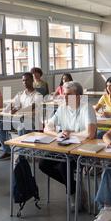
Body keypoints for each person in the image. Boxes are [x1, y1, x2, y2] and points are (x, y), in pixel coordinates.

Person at [40, 81, 97, 210]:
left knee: (63, 165)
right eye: (64, 94)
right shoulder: (62, 108)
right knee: (43, 164)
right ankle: (75, 188)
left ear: (78, 96)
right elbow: (47, 128)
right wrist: (58, 133)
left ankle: (72, 194)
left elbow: (90, 134)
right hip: (65, 146)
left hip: (83, 149)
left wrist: (70, 134)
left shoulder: (86, 108)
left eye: (69, 94)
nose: (65, 97)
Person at [0, 73, 43, 160]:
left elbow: (32, 106)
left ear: (32, 80)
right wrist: (6, 111)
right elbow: (12, 103)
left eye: (27, 80)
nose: (24, 82)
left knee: (22, 128)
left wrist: (18, 110)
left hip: (31, 121)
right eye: (23, 80)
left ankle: (21, 155)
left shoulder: (38, 95)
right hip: (17, 120)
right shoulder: (20, 94)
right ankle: (7, 151)